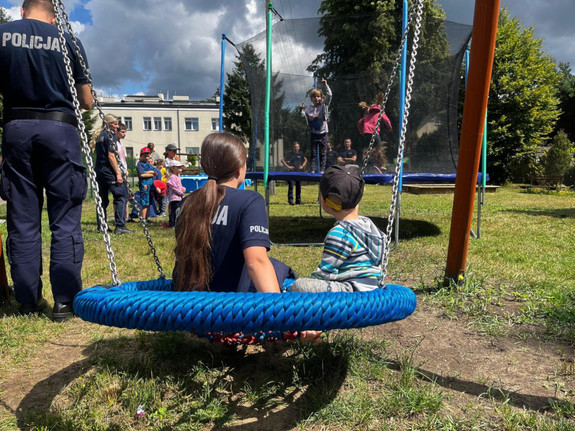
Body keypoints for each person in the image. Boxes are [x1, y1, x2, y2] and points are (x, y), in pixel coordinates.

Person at [0, 0, 93, 321]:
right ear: (55, 17)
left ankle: (28, 300)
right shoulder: (69, 40)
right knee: (64, 218)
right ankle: (65, 302)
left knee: (23, 218)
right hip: (60, 130)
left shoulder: (3, 35)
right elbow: (87, 101)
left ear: (22, 11)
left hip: (16, 127)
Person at [173, 132, 296, 293]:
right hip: (233, 308)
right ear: (240, 169)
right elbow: (256, 262)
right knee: (279, 268)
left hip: (188, 305)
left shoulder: (185, 204)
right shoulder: (250, 201)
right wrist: (278, 312)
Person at [291, 165, 386, 293]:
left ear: (324, 202)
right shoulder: (369, 226)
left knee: (299, 285)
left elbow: (325, 273)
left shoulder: (339, 234)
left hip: (351, 289)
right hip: (373, 286)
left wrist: (308, 283)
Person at [93, 114, 133, 235]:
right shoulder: (110, 135)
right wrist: (118, 174)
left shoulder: (100, 135)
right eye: (115, 124)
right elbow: (111, 155)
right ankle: (120, 226)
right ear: (109, 124)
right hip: (108, 171)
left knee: (102, 200)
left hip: (99, 170)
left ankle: (102, 226)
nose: (117, 126)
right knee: (121, 196)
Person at [300, 78, 332, 173]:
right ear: (311, 99)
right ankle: (313, 170)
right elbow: (303, 117)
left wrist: (326, 85)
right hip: (314, 133)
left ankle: (322, 170)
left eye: (318, 97)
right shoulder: (309, 109)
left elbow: (330, 95)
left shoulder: (324, 106)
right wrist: (301, 109)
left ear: (321, 98)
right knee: (313, 153)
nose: (316, 99)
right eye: (314, 97)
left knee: (323, 153)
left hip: (323, 133)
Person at [136, 147, 156, 222]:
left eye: (148, 156)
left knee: (149, 203)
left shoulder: (148, 164)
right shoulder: (140, 164)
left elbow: (155, 172)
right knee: (145, 203)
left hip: (150, 186)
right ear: (141, 156)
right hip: (144, 186)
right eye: (145, 156)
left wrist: (149, 172)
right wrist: (151, 173)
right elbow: (142, 175)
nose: (147, 157)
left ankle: (146, 217)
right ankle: (143, 218)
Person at [166, 161, 186, 227]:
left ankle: (177, 223)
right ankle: (172, 224)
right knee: (174, 211)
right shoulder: (172, 177)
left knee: (178, 210)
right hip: (174, 198)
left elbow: (179, 186)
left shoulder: (177, 177)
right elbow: (173, 187)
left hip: (179, 197)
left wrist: (183, 188)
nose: (180, 168)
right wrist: (180, 193)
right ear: (173, 168)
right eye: (178, 167)